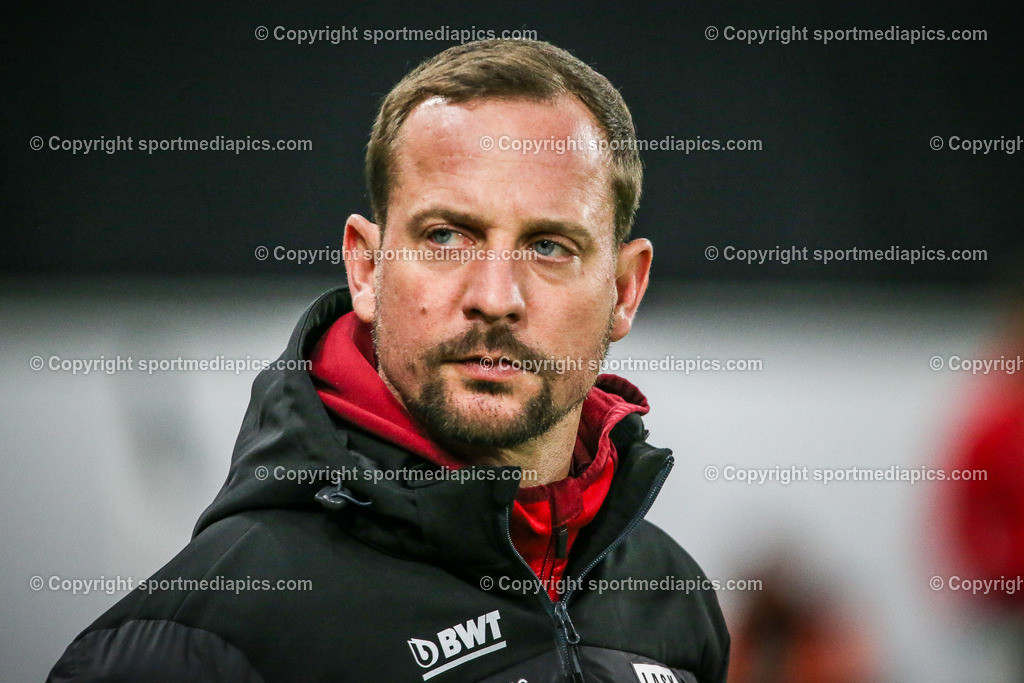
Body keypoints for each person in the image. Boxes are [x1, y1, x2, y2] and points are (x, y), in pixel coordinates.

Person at [49, 38, 729, 682]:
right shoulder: (206, 634)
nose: (495, 298)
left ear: (625, 288)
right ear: (367, 268)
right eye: (446, 236)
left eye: (549, 246)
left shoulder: (675, 601)